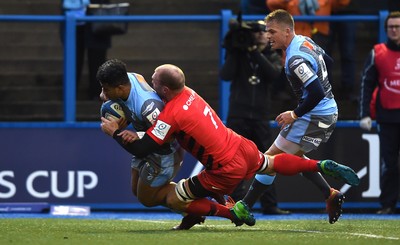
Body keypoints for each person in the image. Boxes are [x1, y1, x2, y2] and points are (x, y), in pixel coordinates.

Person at [100, 63, 360, 229]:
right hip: (239, 145)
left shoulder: (170, 114)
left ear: (165, 89)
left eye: (154, 82)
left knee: (175, 198)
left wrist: (115, 133)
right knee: (272, 163)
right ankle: (320, 164)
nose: (151, 84)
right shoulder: (189, 92)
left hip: (224, 168)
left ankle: (232, 213)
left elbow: (144, 148)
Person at [239, 9, 346, 224]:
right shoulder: (305, 41)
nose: (268, 36)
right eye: (267, 31)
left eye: (272, 31)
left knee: (270, 159)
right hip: (323, 111)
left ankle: (243, 207)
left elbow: (316, 92)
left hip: (315, 115)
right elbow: (329, 62)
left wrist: (294, 114)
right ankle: (330, 194)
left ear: (287, 31)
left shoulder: (295, 59)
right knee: (292, 158)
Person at [220, 20, 290, 215]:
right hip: (238, 115)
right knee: (235, 161)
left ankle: (270, 205)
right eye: (256, 32)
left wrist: (254, 52)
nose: (260, 35)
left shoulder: (271, 56)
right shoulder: (239, 53)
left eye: (263, 32)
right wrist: (237, 51)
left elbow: (273, 74)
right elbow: (225, 74)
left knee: (267, 160)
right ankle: (234, 203)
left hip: (260, 116)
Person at [96, 59, 184, 210]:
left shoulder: (149, 106)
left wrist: (115, 132)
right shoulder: (129, 78)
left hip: (165, 153)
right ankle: (186, 204)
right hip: (146, 139)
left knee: (147, 199)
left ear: (119, 88)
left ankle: (191, 198)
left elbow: (169, 136)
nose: (102, 95)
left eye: (106, 89)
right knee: (136, 189)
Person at [359, 11, 400, 215]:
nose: (394, 30)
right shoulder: (378, 52)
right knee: (390, 164)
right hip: (388, 118)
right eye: (390, 27)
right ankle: (388, 204)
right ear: (386, 30)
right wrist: (364, 114)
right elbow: (367, 84)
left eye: (397, 26)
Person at [61, 0, 111, 100]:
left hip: (97, 19)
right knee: (73, 60)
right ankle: (70, 94)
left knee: (97, 60)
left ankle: (96, 93)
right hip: (73, 21)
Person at [267, 0, 350, 51]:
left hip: (320, 36)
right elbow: (271, 4)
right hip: (294, 36)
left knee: (321, 67)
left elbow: (342, 3)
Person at [326, 0, 358, 101]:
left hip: (349, 11)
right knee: (324, 54)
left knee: (348, 53)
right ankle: (325, 90)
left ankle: (347, 90)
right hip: (325, 11)